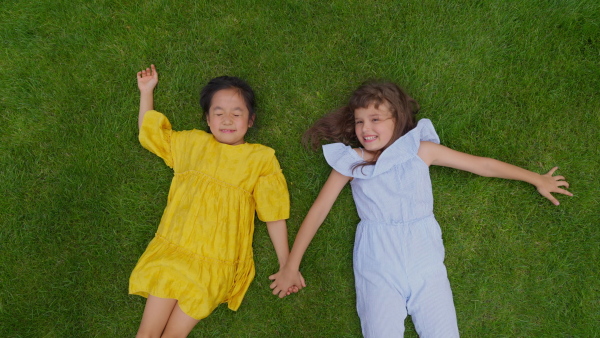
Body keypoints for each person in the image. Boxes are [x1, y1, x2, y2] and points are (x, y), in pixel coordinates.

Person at [268, 81, 572, 337]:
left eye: (376, 119)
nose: (365, 128)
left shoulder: (419, 149)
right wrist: (291, 266)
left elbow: (482, 165)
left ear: (397, 119)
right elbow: (319, 211)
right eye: (360, 121)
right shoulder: (352, 161)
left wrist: (536, 179)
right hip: (377, 259)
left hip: (424, 257)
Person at [130, 65, 303, 337]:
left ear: (250, 121)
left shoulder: (261, 160)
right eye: (218, 113)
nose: (227, 120)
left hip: (216, 264)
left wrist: (286, 264)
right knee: (147, 333)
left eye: (237, 113)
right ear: (207, 120)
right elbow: (152, 135)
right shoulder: (192, 144)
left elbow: (274, 213)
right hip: (174, 250)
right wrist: (146, 92)